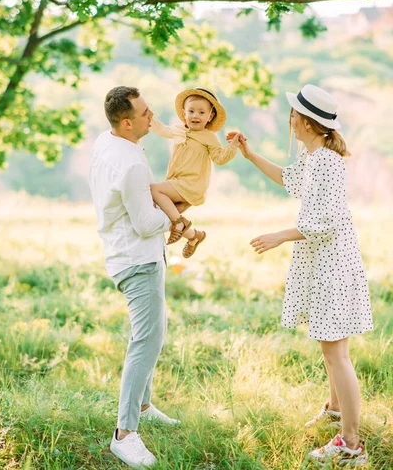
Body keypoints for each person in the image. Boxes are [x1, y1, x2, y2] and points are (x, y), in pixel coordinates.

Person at [229, 84, 373, 467]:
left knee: (334, 351)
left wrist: (278, 236)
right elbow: (287, 178)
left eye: (293, 114)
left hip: (332, 261)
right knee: (332, 349)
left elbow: (326, 222)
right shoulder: (314, 158)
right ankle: (336, 411)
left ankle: (351, 444)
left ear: (307, 123)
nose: (289, 119)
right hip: (325, 260)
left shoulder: (327, 162)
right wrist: (248, 153)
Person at [89, 86, 179, 469]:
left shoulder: (106, 141)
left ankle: (143, 405)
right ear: (126, 122)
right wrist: (178, 216)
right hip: (137, 258)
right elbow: (145, 223)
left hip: (125, 251)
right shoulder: (132, 165)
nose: (150, 115)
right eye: (144, 113)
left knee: (146, 332)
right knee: (148, 339)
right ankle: (125, 434)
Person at [150, 87, 241, 258]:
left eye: (201, 112)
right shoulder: (179, 130)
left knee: (154, 190)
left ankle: (180, 223)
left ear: (210, 116)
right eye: (191, 111)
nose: (195, 116)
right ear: (184, 114)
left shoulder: (209, 136)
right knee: (163, 214)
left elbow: (220, 158)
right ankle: (195, 237)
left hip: (191, 185)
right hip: (177, 182)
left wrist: (233, 145)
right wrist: (149, 117)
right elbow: (162, 130)